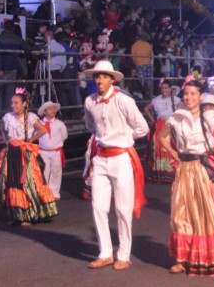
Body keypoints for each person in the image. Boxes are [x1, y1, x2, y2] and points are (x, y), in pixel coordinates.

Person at [156, 80, 214, 276]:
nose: (189, 97)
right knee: (180, 214)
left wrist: (210, 152)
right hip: (184, 169)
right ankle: (181, 258)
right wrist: (174, 153)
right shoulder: (176, 117)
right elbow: (161, 137)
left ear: (201, 96)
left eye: (194, 93)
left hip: (201, 169)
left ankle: (208, 255)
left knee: (204, 212)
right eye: (186, 94)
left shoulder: (209, 116)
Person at [83, 59, 150, 270]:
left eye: (104, 76)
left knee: (123, 208)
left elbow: (143, 128)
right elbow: (91, 126)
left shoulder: (123, 100)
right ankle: (105, 252)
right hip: (100, 158)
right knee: (98, 207)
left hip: (121, 157)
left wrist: (124, 139)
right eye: (97, 76)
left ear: (112, 79)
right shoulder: (89, 102)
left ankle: (124, 253)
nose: (100, 80)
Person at [0, 90, 57, 225]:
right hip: (12, 152)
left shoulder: (30, 117)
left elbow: (42, 130)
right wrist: (7, 141)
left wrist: (31, 140)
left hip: (24, 152)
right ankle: (16, 214)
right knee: (13, 182)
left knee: (27, 182)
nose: (13, 105)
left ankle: (29, 214)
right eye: (12, 103)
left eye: (16, 103)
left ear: (24, 104)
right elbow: (2, 129)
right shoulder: (8, 117)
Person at [144, 79, 183, 184]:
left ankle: (172, 171)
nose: (164, 90)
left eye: (166, 88)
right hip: (159, 125)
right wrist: (153, 119)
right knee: (157, 148)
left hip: (171, 125)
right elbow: (146, 108)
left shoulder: (176, 99)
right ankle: (159, 173)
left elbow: (183, 111)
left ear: (170, 88)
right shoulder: (156, 99)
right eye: (162, 88)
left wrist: (176, 120)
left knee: (171, 147)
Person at [37, 101, 68, 200]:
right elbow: (35, 135)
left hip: (55, 151)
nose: (53, 110)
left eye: (53, 109)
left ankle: (54, 192)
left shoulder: (59, 124)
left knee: (56, 171)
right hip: (43, 152)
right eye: (50, 109)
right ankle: (44, 191)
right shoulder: (39, 124)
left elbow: (64, 136)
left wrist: (56, 144)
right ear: (45, 112)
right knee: (44, 171)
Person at [130, 31, 155, 98]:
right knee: (149, 80)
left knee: (141, 81)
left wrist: (135, 64)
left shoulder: (134, 45)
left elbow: (133, 57)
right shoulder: (148, 45)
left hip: (139, 64)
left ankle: (143, 94)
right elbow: (151, 55)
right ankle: (151, 94)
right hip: (147, 64)